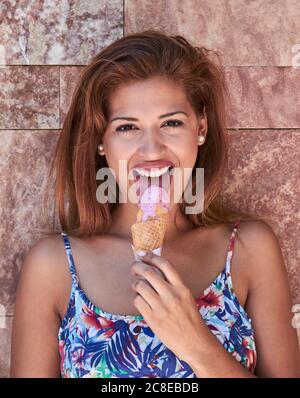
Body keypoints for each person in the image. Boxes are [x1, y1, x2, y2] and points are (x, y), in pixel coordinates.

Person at [10, 30, 300, 378]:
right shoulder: (52, 266)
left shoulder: (250, 250)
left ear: (201, 128)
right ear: (101, 141)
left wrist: (194, 343)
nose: (151, 150)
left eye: (172, 123)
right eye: (127, 127)